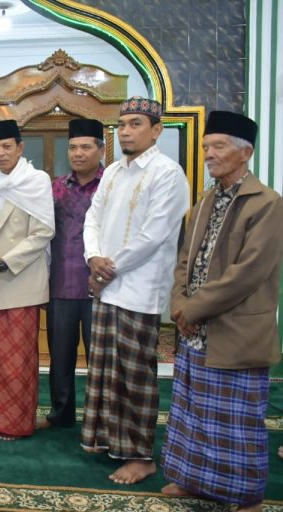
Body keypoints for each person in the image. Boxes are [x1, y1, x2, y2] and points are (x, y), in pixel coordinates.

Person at [161, 111, 283, 512]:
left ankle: (245, 497)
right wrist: (178, 303)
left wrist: (192, 307)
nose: (209, 154)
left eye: (218, 146)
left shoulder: (267, 204)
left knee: (235, 422)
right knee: (194, 411)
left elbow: (248, 274)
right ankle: (194, 480)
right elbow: (184, 260)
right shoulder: (205, 201)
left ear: (244, 152)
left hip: (234, 329)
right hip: (194, 329)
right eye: (205, 147)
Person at [81, 97, 190, 484]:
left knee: (135, 375)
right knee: (105, 370)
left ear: (156, 130)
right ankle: (110, 441)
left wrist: (108, 268)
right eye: (122, 124)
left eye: (135, 124)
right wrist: (93, 257)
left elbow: (154, 235)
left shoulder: (168, 173)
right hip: (107, 285)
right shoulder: (112, 171)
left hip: (138, 290)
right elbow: (92, 218)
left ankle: (141, 456)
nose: (125, 131)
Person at [0, 119, 55, 441]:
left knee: (14, 358)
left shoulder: (36, 181)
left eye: (7, 146)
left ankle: (12, 423)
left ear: (20, 147)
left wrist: (2, 264)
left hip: (17, 282)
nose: (1, 153)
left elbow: (43, 232)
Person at [38, 118, 105, 430]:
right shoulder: (55, 187)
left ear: (101, 149)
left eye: (86, 146)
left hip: (102, 287)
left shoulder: (112, 185)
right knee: (60, 357)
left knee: (100, 360)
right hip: (60, 285)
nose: (78, 153)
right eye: (73, 147)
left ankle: (100, 418)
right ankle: (60, 414)